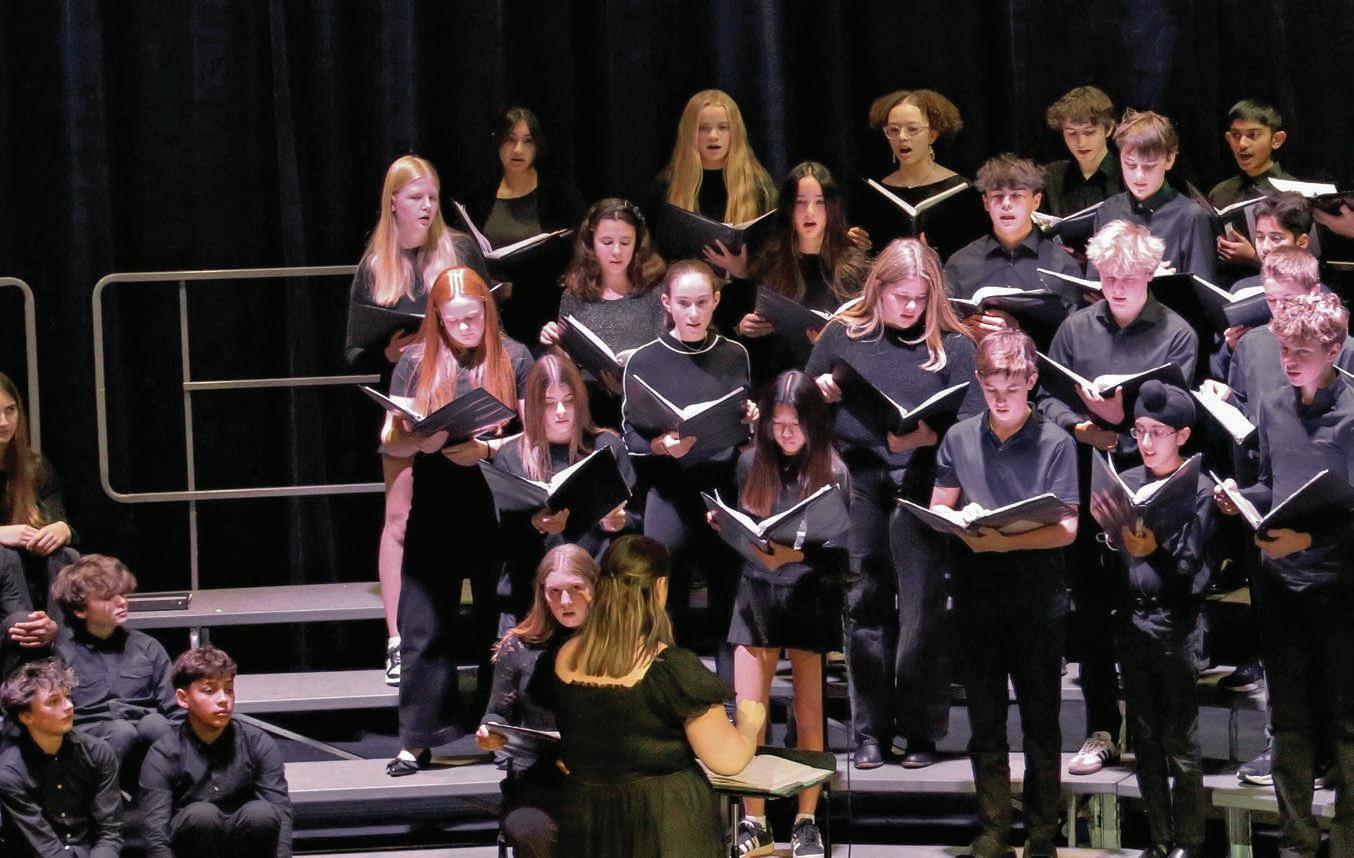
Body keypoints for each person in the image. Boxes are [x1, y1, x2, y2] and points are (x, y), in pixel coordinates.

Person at [805, 238, 982, 769]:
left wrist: (928, 438)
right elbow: (801, 408)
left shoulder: (953, 345)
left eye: (920, 299)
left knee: (923, 611)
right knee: (865, 604)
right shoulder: (844, 334)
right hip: (862, 480)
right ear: (877, 289)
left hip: (925, 484)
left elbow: (972, 424)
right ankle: (870, 733)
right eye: (900, 296)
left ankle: (920, 731)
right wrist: (818, 393)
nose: (910, 308)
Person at [1037, 220, 1198, 777]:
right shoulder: (1075, 329)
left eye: (1128, 277)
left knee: (1151, 612)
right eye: (1107, 277)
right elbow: (1046, 399)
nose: (1117, 287)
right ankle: (1102, 728)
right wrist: (1084, 428)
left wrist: (1121, 418)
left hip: (1154, 491)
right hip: (1089, 484)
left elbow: (1180, 413)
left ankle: (1161, 737)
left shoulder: (1177, 332)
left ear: (1150, 274)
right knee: (1089, 611)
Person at [1214, 293, 1354, 857]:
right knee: (1289, 722)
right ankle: (1298, 840)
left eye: (1301, 352)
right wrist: (1240, 497)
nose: (1289, 361)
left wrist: (1311, 540)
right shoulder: (1274, 405)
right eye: (1283, 350)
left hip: (1342, 589)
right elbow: (1273, 483)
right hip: (1283, 586)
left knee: (1346, 726)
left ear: (1334, 350)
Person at [929, 330, 1078, 858]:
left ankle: (1042, 832)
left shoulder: (1056, 442)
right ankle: (993, 828)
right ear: (979, 382)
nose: (1000, 399)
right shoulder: (959, 436)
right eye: (991, 389)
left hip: (1036, 597)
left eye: (1011, 389)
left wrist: (1003, 542)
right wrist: (957, 519)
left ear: (1032, 381)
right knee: (985, 721)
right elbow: (940, 503)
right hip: (977, 594)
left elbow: (1067, 529)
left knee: (1041, 721)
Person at [343, 154, 490, 686]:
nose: (427, 207)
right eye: (416, 198)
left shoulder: (461, 250)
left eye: (432, 197)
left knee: (475, 520)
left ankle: (486, 636)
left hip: (467, 395)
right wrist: (387, 351)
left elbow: (489, 317)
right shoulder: (376, 265)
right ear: (393, 203)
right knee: (400, 518)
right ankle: (397, 640)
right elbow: (354, 352)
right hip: (408, 404)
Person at [382, 266, 532, 776]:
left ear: (488, 311)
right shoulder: (416, 360)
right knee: (423, 620)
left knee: (501, 615)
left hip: (497, 495)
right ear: (437, 318)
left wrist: (488, 447)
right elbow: (389, 439)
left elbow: (533, 433)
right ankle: (417, 739)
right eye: (454, 320)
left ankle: (500, 729)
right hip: (439, 497)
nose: (466, 327)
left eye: (474, 317)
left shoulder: (513, 356)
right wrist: (416, 440)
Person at [549, 535, 766, 857]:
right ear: (661, 587)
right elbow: (728, 760)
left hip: (590, 820)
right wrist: (749, 724)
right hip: (665, 822)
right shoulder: (672, 668)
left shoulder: (566, 656)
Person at [711, 370, 849, 857]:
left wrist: (794, 555)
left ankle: (807, 820)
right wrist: (727, 528)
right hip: (757, 592)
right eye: (778, 424)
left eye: (795, 424)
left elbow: (840, 550)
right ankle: (755, 821)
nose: (786, 434)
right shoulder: (751, 463)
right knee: (750, 715)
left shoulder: (833, 470)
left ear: (814, 423)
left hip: (808, 592)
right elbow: (743, 533)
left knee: (809, 713)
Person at [1090, 382, 1213, 858]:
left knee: (1179, 739)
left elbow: (1191, 569)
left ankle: (1189, 840)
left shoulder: (1199, 487)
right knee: (1143, 736)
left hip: (1175, 624)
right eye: (1139, 430)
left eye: (1157, 432)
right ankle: (1159, 838)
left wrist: (1154, 549)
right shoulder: (1129, 479)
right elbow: (1111, 564)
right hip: (1132, 620)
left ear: (1182, 435)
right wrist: (1109, 537)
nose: (1145, 441)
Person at [621, 259, 754, 681]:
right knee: (666, 597)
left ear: (716, 300)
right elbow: (630, 436)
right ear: (667, 303)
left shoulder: (734, 354)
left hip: (721, 489)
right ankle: (669, 692)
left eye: (701, 302)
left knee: (728, 596)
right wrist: (660, 445)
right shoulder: (644, 361)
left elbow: (742, 421)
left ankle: (733, 697)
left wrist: (750, 418)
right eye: (683, 303)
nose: (693, 313)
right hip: (670, 488)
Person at [488, 354, 634, 627]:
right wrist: (535, 523)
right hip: (531, 593)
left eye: (568, 401)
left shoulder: (607, 446)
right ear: (534, 406)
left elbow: (638, 520)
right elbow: (500, 537)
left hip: (596, 592)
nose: (561, 412)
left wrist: (619, 522)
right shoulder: (512, 456)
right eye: (549, 403)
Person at [476, 544, 600, 858]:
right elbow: (497, 713)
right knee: (530, 827)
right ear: (542, 594)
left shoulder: (618, 644)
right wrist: (490, 733)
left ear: (595, 587)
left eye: (576, 588)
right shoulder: (518, 646)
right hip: (542, 778)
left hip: (608, 778)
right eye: (554, 591)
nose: (566, 601)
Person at [138, 645, 293, 858]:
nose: (223, 699)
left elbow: (281, 813)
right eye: (209, 691)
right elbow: (156, 834)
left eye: (228, 689)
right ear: (183, 698)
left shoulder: (256, 742)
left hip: (244, 844)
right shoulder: (163, 753)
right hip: (193, 845)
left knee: (262, 814)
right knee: (202, 816)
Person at [726, 162, 868, 388]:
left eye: (819, 202)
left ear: (831, 207)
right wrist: (744, 329)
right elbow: (748, 343)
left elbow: (869, 344)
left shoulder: (855, 267)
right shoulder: (769, 264)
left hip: (835, 386)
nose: (809, 212)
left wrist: (832, 346)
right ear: (788, 208)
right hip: (778, 386)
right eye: (800, 202)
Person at [51, 554, 177, 787]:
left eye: (122, 594)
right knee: (121, 732)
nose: (121, 602)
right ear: (80, 610)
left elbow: (175, 709)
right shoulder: (62, 655)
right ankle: (104, 802)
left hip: (144, 738)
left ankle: (164, 798)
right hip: (91, 747)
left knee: (156, 724)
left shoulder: (148, 647)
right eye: (108, 597)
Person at [538, 198, 667, 426]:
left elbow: (667, 356)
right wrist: (554, 342)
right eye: (607, 242)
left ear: (637, 243)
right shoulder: (574, 293)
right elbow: (567, 367)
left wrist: (627, 385)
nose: (616, 251)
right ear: (591, 243)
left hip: (647, 408)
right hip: (590, 407)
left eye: (625, 242)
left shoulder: (655, 291)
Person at [464, 106, 585, 345]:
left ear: (537, 145)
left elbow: (580, 250)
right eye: (510, 140)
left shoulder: (558, 195)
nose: (518, 149)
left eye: (527, 141)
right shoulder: (480, 197)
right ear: (497, 141)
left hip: (544, 312)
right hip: (491, 312)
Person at [943, 154, 1082, 346]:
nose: (1006, 204)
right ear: (986, 202)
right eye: (997, 196)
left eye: (1016, 195)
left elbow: (1074, 341)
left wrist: (1019, 330)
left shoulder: (1063, 266)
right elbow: (942, 332)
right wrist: (964, 332)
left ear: (1036, 201)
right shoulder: (959, 264)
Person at [0, 658, 121, 858]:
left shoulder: (98, 752)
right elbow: (45, 848)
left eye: (68, 696)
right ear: (26, 716)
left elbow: (109, 832)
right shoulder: (10, 773)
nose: (69, 706)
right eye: (53, 701)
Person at [852, 89, 985, 261]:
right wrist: (853, 241)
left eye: (912, 129)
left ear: (932, 135)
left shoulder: (963, 193)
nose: (902, 137)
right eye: (893, 130)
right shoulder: (873, 193)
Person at [650, 89, 775, 272]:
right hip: (686, 287)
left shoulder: (759, 185)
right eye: (703, 128)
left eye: (723, 127)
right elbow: (654, 249)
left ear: (735, 133)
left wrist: (744, 270)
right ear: (689, 132)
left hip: (743, 286)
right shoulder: (667, 184)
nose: (713, 136)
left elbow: (775, 252)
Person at [1090, 109, 1217, 283]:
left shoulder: (1192, 217)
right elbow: (1093, 282)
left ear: (1170, 159)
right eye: (1130, 165)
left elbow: (1202, 291)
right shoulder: (1108, 211)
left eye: (1149, 166)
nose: (1138, 176)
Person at [0, 371, 70, 674]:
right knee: (4, 555)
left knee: (65, 555)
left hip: (31, 575)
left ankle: (60, 647)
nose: (3, 422)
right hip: (6, 580)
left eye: (10, 410)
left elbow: (57, 519)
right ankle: (28, 634)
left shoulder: (34, 466)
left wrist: (62, 529)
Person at [1210, 98, 1295, 271]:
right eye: (1236, 135)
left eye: (1253, 135)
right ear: (1228, 139)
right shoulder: (1220, 192)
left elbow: (1306, 265)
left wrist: (1253, 258)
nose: (1242, 144)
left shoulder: (1294, 193)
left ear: (1277, 140)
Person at [1041, 85, 1122, 223]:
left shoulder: (1127, 175)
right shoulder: (1051, 177)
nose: (1081, 143)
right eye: (1071, 133)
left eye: (1089, 132)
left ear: (1108, 129)